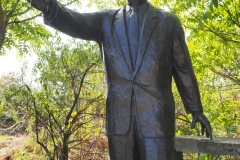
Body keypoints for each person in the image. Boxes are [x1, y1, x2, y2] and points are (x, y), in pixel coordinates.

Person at [29, 0, 212, 159]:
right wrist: (50, 6)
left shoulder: (168, 22)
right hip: (120, 119)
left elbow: (182, 67)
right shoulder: (105, 21)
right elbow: (75, 21)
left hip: (156, 119)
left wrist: (195, 108)